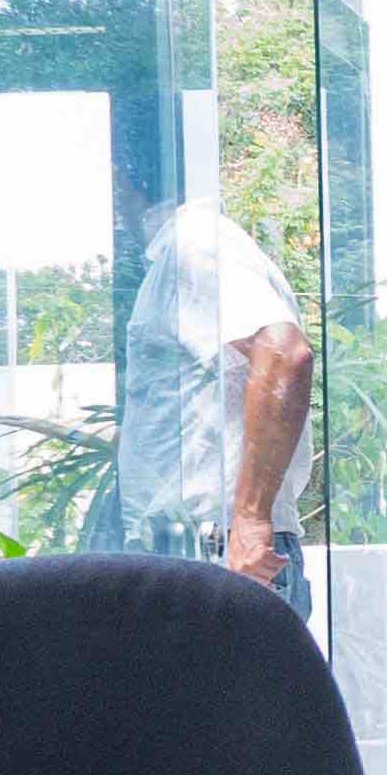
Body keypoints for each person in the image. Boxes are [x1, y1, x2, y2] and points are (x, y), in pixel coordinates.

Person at [111, 193, 316, 593]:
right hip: (204, 551)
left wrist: (250, 520)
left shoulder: (195, 243)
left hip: (222, 554)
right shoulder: (186, 247)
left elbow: (284, 353)